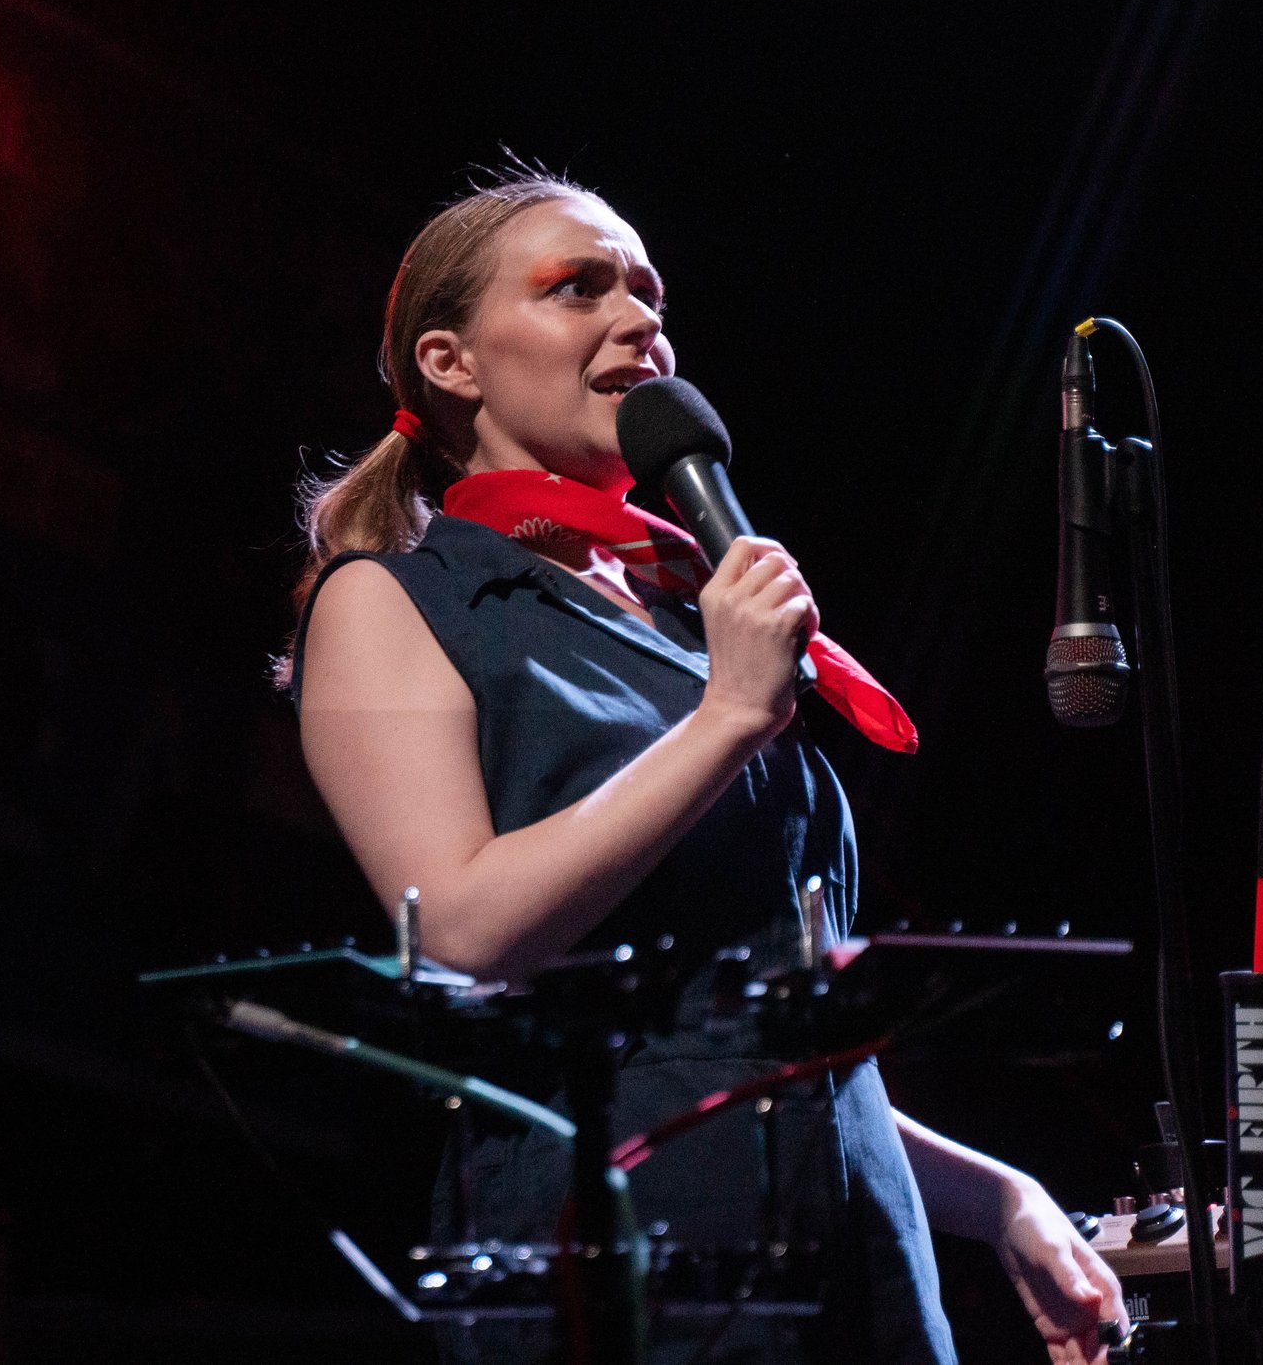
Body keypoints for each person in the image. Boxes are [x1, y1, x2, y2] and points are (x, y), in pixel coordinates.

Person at [284, 172, 1126, 1365]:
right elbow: (461, 930)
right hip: (627, 1247)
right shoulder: (395, 601)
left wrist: (997, 1199)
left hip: (862, 1254)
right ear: (449, 361)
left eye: (647, 293)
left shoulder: (688, 614)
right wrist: (727, 713)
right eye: (577, 287)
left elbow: (762, 1044)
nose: (637, 318)